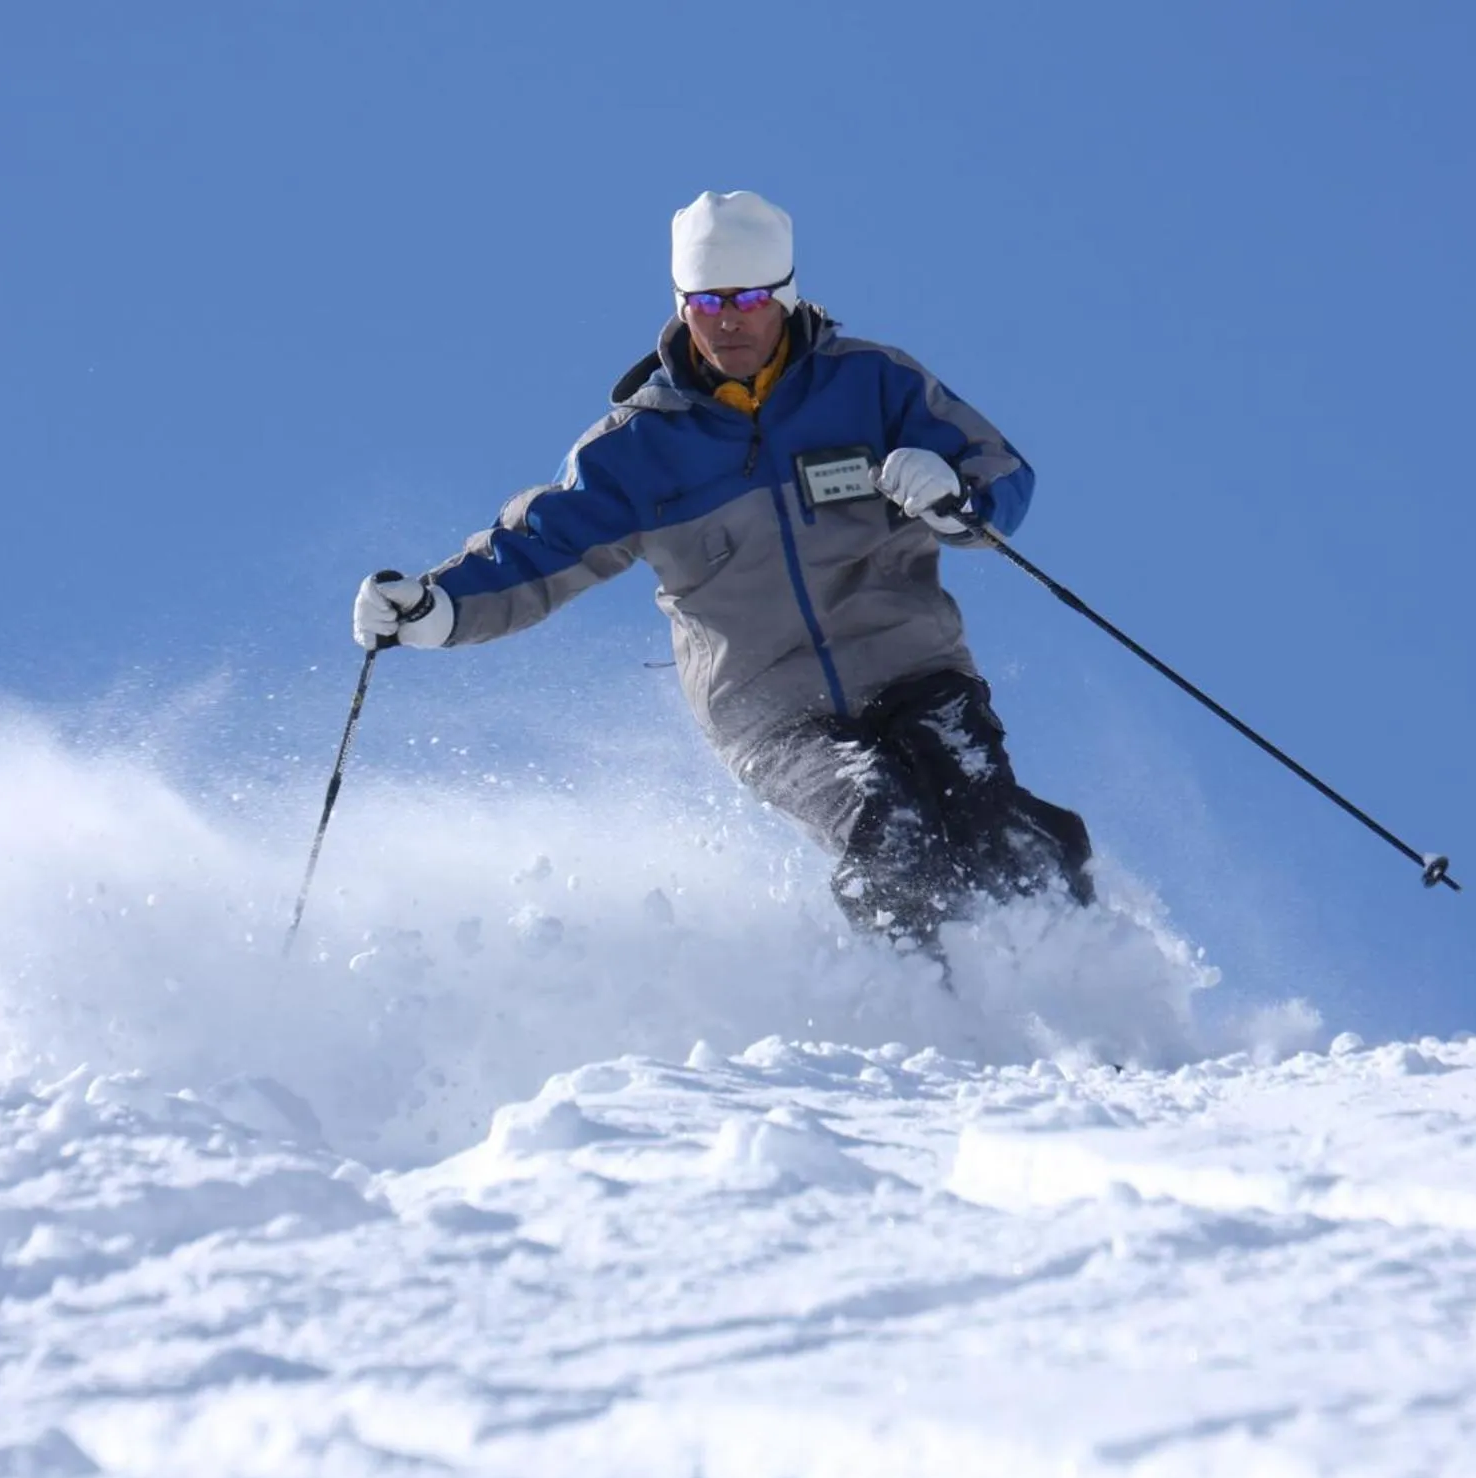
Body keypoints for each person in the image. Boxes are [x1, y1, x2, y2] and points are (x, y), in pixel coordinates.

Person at [354, 190, 1093, 948]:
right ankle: (933, 1013)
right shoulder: (639, 446)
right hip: (772, 713)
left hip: (912, 667)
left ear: (787, 296)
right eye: (707, 301)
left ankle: (1088, 985)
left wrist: (956, 495)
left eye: (747, 297)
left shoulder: (872, 384)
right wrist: (436, 607)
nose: (728, 319)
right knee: (888, 828)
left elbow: (997, 471)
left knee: (987, 818)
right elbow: (540, 545)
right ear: (682, 304)